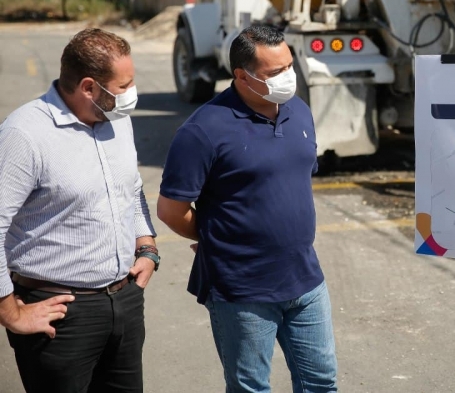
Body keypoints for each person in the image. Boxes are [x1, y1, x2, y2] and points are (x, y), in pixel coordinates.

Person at [157, 25, 337, 392]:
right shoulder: (202, 130)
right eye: (275, 73)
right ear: (241, 76)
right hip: (243, 290)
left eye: (289, 66)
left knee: (321, 382)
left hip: (305, 280)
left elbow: (294, 181)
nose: (288, 77)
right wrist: (213, 236)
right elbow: (171, 209)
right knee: (251, 388)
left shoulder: (299, 111)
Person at [0, 28, 159, 393]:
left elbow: (130, 188)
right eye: (124, 86)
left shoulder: (117, 120)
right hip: (61, 315)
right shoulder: (24, 135)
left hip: (125, 301)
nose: (131, 95)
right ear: (89, 87)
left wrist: (146, 244)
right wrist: (10, 313)